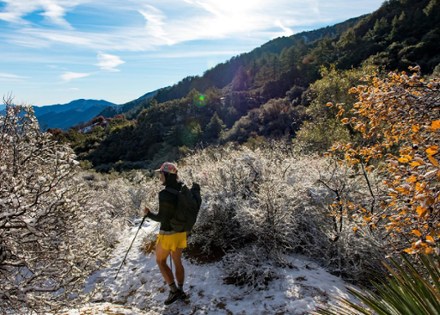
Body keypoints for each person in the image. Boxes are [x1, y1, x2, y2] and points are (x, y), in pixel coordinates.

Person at [144, 162, 187, 305]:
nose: (159, 176)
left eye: (161, 173)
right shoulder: (182, 188)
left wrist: (148, 214)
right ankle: (180, 290)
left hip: (167, 233)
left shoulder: (164, 194)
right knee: (177, 261)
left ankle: (174, 291)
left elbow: (162, 218)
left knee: (160, 261)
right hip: (180, 232)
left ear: (167, 175)